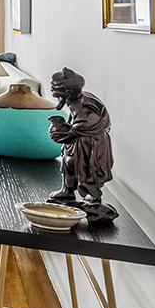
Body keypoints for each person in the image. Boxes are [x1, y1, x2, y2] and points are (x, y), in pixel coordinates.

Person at [47, 68, 117, 221]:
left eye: (56, 92)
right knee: (67, 164)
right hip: (78, 142)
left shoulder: (84, 107)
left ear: (68, 92)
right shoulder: (75, 101)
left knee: (86, 171)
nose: (53, 95)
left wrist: (62, 133)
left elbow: (86, 123)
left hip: (90, 146)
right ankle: (67, 191)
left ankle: (93, 199)